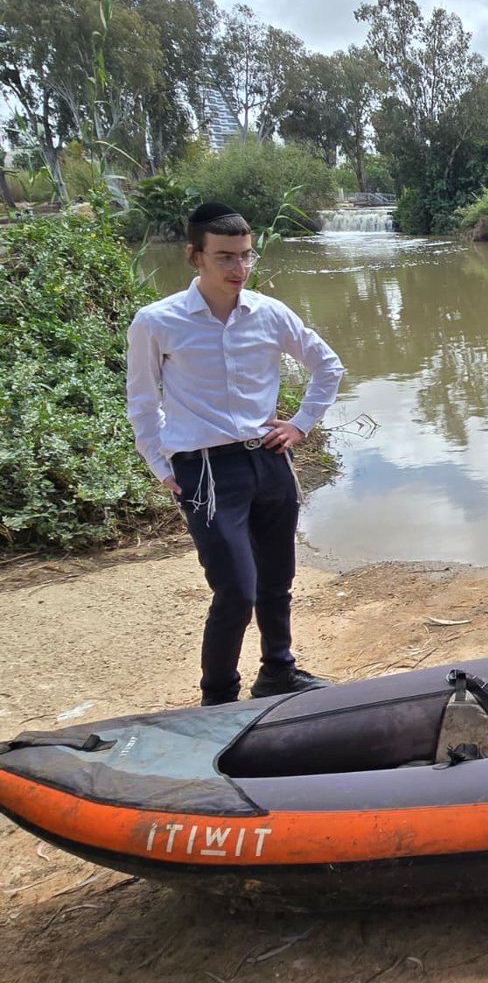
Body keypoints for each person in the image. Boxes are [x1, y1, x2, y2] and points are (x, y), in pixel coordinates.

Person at [126, 202, 346, 706]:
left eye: (246, 256)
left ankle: (278, 672)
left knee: (277, 580)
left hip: (269, 460)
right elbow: (142, 400)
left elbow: (327, 366)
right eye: (225, 257)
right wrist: (161, 466)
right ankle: (218, 700)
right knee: (236, 592)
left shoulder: (270, 312)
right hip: (203, 469)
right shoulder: (158, 322)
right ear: (194, 256)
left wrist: (299, 425)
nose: (238, 269)